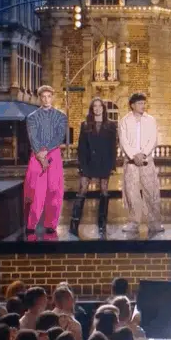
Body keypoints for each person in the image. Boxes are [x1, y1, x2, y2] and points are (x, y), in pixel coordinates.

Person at [24, 86, 68, 235]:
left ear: (52, 97)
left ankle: (51, 224)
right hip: (36, 155)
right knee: (35, 191)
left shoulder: (61, 116)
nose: (46, 99)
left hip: (53, 154)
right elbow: (32, 137)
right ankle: (31, 224)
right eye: (43, 97)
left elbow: (59, 137)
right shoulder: (32, 117)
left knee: (54, 190)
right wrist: (40, 155)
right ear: (39, 98)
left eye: (49, 96)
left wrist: (46, 151)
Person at [72, 97, 118, 237]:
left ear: (103, 108)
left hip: (104, 162)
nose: (97, 108)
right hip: (88, 162)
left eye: (100, 106)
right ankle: (74, 223)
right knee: (82, 190)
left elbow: (113, 147)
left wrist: (112, 165)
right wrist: (81, 165)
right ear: (92, 109)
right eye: (95, 106)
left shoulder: (111, 125)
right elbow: (81, 147)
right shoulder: (85, 125)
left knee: (104, 191)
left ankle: (102, 224)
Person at [118, 93, 163, 235]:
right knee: (132, 193)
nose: (143, 106)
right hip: (131, 163)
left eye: (144, 103)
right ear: (132, 105)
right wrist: (133, 155)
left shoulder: (151, 120)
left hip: (146, 161)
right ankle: (133, 222)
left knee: (152, 192)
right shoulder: (124, 121)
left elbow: (153, 139)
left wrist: (143, 154)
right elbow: (123, 141)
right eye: (140, 103)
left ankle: (154, 222)